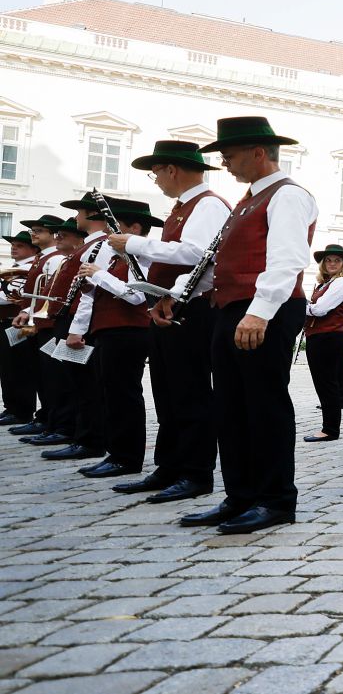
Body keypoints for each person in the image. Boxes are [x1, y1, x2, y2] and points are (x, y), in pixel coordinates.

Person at [179, 115, 317, 535]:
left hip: (264, 309)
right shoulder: (248, 199)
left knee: (264, 404)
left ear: (259, 153)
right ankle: (240, 495)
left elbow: (288, 258)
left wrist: (260, 310)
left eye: (231, 155)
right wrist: (177, 296)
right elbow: (219, 260)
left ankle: (275, 499)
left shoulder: (287, 195)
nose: (225, 164)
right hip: (233, 307)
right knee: (231, 406)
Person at [110, 139, 232, 502]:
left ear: (171, 170)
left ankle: (195, 473)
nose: (157, 180)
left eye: (156, 173)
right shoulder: (183, 206)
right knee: (167, 391)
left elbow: (198, 255)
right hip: (173, 304)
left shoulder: (207, 204)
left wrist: (134, 244)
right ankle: (170, 465)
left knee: (190, 392)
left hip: (192, 309)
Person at [64, 196, 160, 481]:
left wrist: (99, 275)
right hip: (109, 329)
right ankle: (116, 453)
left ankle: (126, 457)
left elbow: (137, 295)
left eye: (116, 226)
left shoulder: (141, 255)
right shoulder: (120, 256)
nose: (111, 233)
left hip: (128, 330)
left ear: (136, 228)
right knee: (110, 393)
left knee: (123, 394)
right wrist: (92, 284)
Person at [42, 194, 114, 465]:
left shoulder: (100, 244)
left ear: (92, 215)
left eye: (79, 213)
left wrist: (78, 328)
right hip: (70, 319)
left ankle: (88, 439)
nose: (75, 218)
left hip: (78, 321)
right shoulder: (92, 245)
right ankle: (82, 436)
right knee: (77, 383)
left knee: (85, 387)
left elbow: (90, 290)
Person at [16, 218, 83, 449]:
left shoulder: (59, 259)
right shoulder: (60, 259)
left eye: (63, 234)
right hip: (47, 322)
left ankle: (61, 425)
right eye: (56, 233)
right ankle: (52, 421)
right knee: (48, 377)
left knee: (59, 379)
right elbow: (45, 290)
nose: (58, 237)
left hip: (58, 324)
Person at [303, 245, 343, 443]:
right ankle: (329, 427)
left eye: (336, 260)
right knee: (323, 383)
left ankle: (330, 429)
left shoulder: (342, 282)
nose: (332, 263)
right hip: (319, 336)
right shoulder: (325, 283)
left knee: (327, 384)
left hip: (329, 337)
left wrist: (300, 305)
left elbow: (320, 310)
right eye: (328, 260)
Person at [0, 230, 42, 427]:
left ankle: (22, 410)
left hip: (21, 322)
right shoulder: (16, 268)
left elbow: (15, 295)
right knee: (8, 366)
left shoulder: (29, 268)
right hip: (8, 321)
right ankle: (12, 407)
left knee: (20, 365)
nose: (14, 248)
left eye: (20, 245)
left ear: (33, 249)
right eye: (13, 245)